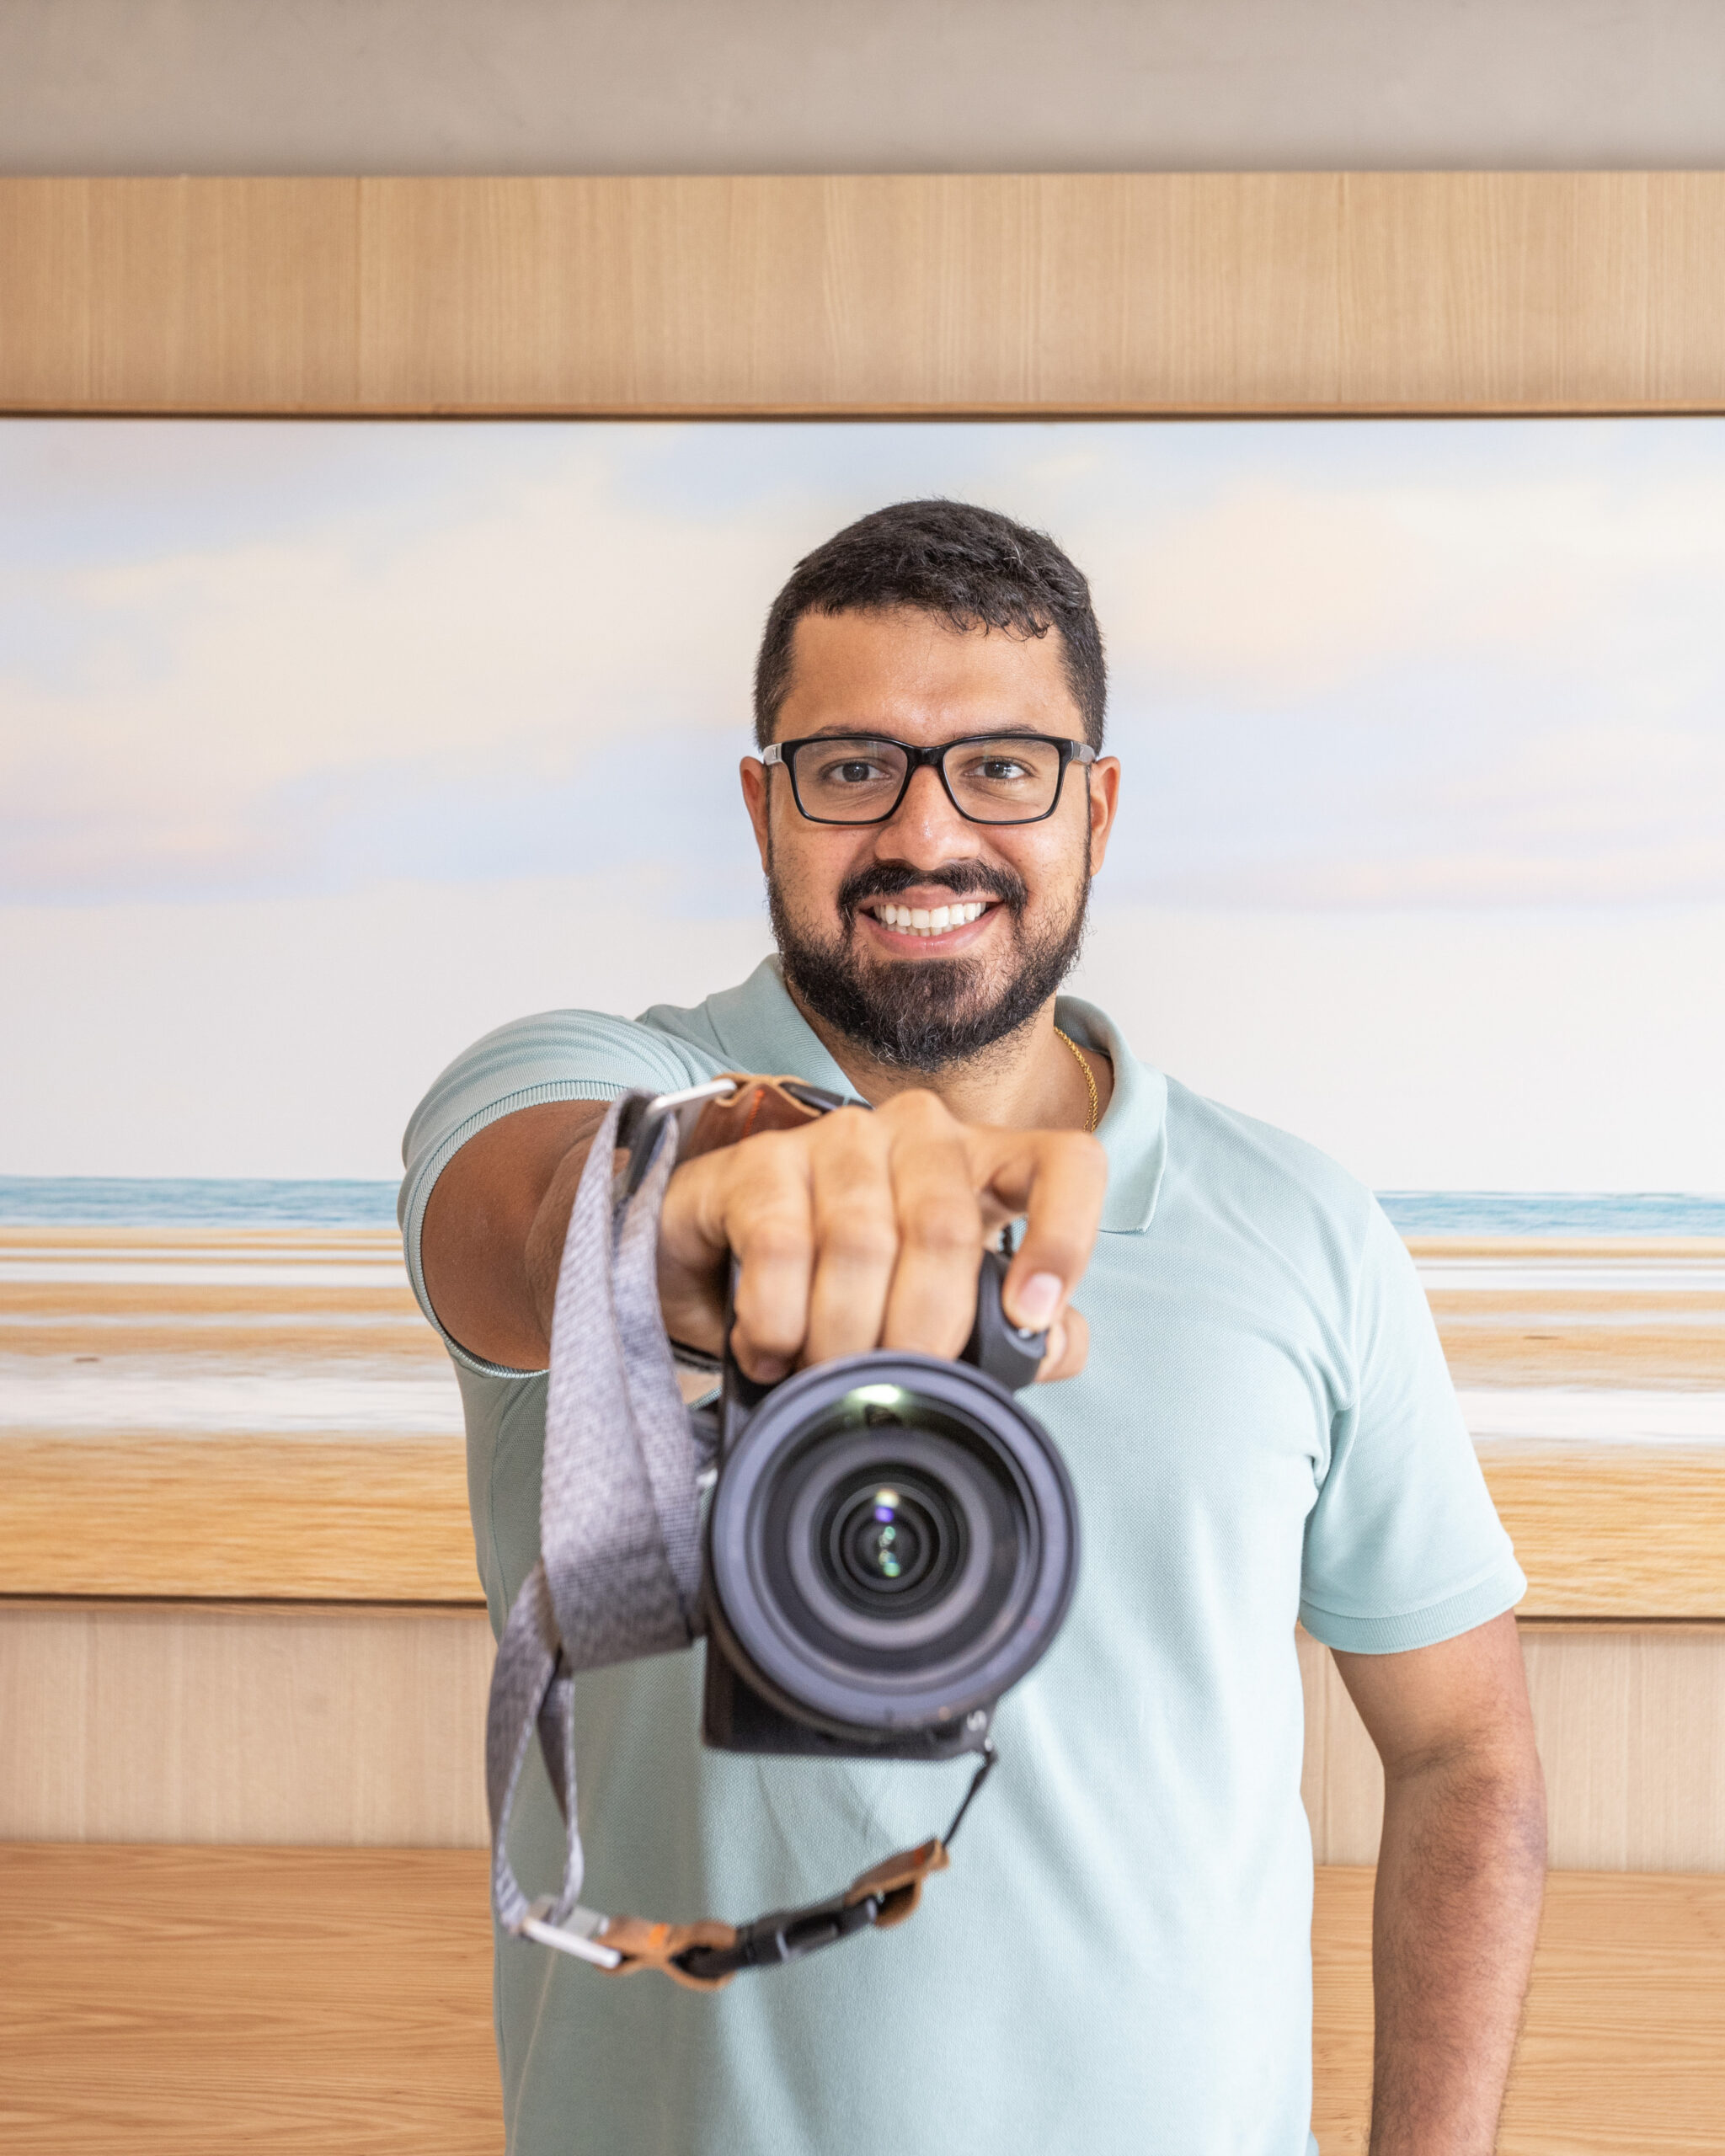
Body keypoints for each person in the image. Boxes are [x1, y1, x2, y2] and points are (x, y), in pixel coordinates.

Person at [400, 499, 1546, 2156]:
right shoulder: (585, 1086)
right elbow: (528, 1212)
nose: (924, 832)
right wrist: (722, 1195)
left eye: (1000, 766)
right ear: (760, 804)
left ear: (1096, 806)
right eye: (851, 765)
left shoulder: (1298, 1228)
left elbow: (1463, 1751)